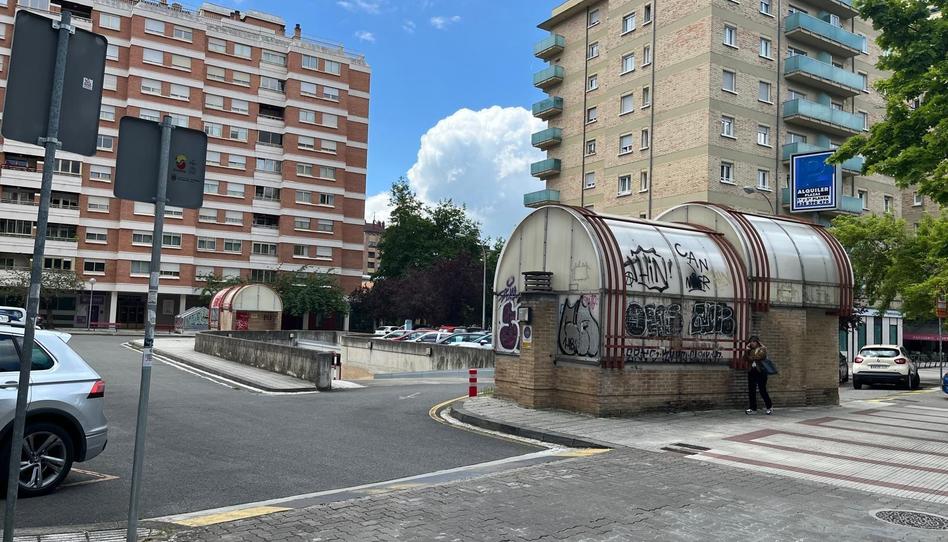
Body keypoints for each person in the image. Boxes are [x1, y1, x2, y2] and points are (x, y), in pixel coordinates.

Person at [745, 335, 773, 415]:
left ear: (757, 342)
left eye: (754, 341)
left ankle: (769, 407)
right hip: (752, 371)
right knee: (751, 391)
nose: (752, 343)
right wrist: (746, 351)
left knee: (762, 390)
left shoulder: (763, 349)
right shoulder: (750, 350)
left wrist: (750, 356)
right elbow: (745, 358)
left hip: (761, 372)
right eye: (751, 342)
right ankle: (753, 408)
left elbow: (759, 357)